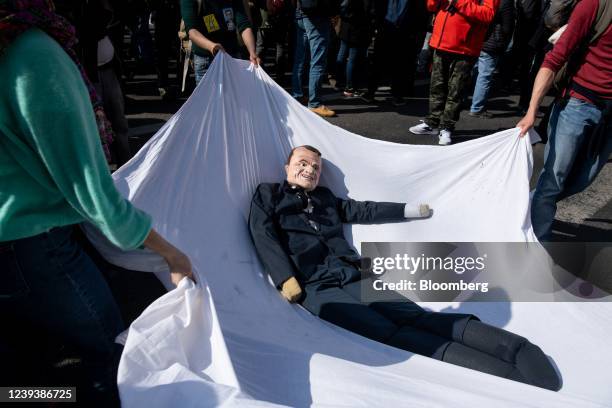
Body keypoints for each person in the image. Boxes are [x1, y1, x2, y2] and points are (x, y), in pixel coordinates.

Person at [0, 2, 193, 404]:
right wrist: (172, 254)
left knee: (24, 367)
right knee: (112, 351)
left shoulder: (11, 41)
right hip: (34, 244)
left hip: (15, 241)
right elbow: (92, 191)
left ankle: (34, 397)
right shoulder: (34, 55)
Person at [248, 145, 561, 390]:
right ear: (287, 167)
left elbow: (364, 210)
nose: (310, 169)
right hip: (317, 286)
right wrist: (285, 278)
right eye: (302, 163)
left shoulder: (326, 198)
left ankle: (516, 348)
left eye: (315, 167)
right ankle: (503, 374)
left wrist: (410, 210)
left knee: (416, 316)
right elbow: (261, 232)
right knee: (387, 332)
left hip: (354, 273)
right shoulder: (268, 194)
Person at [517, 0, 612, 241]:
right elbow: (553, 59)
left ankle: (534, 203)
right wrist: (531, 111)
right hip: (577, 105)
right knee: (554, 179)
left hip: (609, 114)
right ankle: (538, 242)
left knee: (582, 180)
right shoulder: (595, 5)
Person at [409, 0, 499, 145]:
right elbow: (431, 6)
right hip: (440, 43)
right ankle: (432, 123)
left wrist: (457, 2)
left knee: (455, 91)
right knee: (436, 88)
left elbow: (487, 15)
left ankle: (447, 128)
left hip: (465, 49)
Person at [180, 0, 260, 85]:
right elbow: (192, 32)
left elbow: (244, 25)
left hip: (232, 56)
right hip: (206, 60)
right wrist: (212, 46)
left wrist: (252, 52)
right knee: (209, 98)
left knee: (232, 96)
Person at [291, 0, 340, 117]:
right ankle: (314, 103)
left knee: (300, 58)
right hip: (317, 14)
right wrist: (334, 13)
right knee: (318, 60)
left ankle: (297, 95)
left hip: (301, 11)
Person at [469, 0, 515, 117]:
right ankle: (477, 107)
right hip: (492, 42)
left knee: (473, 71)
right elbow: (507, 27)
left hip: (475, 38)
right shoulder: (505, 2)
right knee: (484, 75)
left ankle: (465, 100)